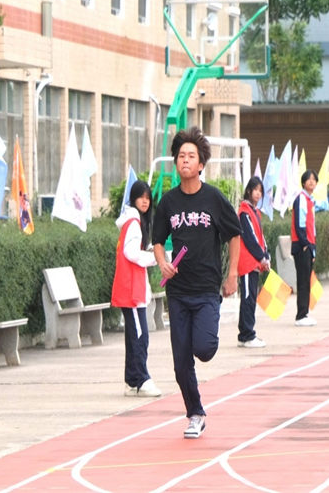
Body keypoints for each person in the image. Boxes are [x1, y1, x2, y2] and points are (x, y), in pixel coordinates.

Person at [153, 127, 242, 439]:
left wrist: (232, 274)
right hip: (178, 292)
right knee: (181, 364)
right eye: (181, 156)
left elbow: (234, 235)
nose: (185, 160)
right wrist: (163, 263)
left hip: (206, 289)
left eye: (191, 156)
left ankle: (201, 341)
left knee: (203, 349)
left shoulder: (213, 199)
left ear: (201, 164)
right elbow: (157, 241)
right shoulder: (168, 203)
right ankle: (195, 413)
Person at [111, 180, 161, 398]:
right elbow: (131, 253)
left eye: (148, 197)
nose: (145, 201)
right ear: (133, 199)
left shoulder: (133, 221)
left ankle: (132, 380)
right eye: (141, 197)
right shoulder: (133, 223)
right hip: (131, 289)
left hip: (132, 288)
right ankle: (142, 379)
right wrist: (154, 258)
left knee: (135, 336)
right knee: (140, 336)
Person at [237, 177, 270, 348]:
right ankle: (247, 335)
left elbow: (260, 237)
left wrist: (266, 255)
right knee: (248, 299)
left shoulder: (255, 212)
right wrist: (261, 257)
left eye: (260, 191)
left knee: (250, 298)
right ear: (249, 191)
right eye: (255, 190)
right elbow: (250, 238)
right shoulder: (244, 212)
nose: (258, 193)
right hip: (247, 263)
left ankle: (245, 334)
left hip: (255, 263)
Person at [292, 169, 319, 327]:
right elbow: (299, 224)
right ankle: (301, 315)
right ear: (303, 182)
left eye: (314, 179)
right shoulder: (301, 199)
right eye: (309, 179)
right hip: (302, 245)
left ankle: (305, 312)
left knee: (307, 280)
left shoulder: (310, 200)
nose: (311, 182)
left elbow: (311, 226)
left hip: (309, 245)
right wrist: (305, 244)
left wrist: (313, 247)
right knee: (303, 281)